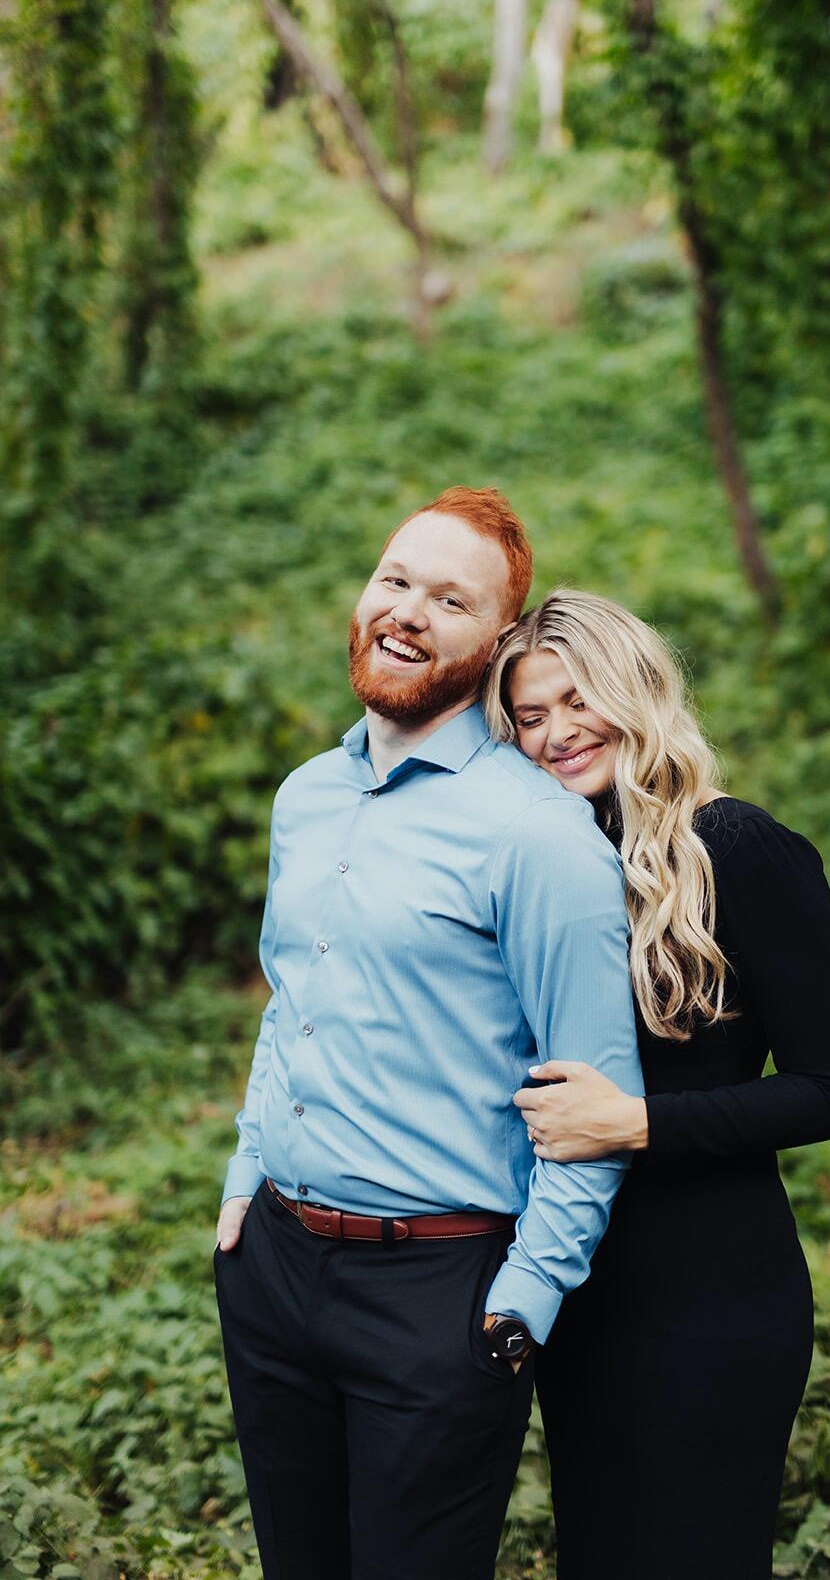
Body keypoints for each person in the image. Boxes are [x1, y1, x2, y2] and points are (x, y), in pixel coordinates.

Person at [213, 498, 644, 1580]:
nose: (408, 614)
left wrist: (524, 1299)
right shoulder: (305, 796)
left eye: (451, 600)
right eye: (396, 579)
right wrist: (246, 1168)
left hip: (440, 1295)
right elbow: (288, 999)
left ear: (496, 644)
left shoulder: (538, 837)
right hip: (273, 1269)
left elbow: (591, 1095)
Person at [483, 589, 830, 1580]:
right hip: (584, 1293)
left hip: (714, 1296)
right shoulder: (547, 867)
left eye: (577, 699)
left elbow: (825, 1089)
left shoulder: (739, 849)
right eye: (529, 715)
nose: (557, 732)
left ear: (633, 691)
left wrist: (634, 1122)